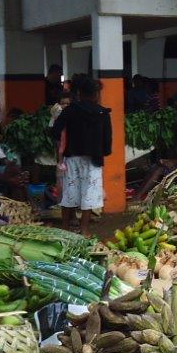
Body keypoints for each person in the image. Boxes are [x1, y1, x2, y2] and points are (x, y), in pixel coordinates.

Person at [49, 76, 112, 236]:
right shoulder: (102, 113)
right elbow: (107, 141)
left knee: (70, 192)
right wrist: (102, 151)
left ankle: (65, 228)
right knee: (89, 193)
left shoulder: (70, 110)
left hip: (72, 158)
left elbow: (55, 131)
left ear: (79, 93)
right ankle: (84, 230)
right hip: (93, 160)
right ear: (96, 94)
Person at [136, 111, 177, 198]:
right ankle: (143, 193)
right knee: (155, 166)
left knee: (159, 170)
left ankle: (138, 197)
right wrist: (166, 161)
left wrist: (173, 162)